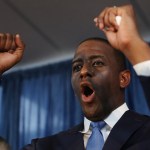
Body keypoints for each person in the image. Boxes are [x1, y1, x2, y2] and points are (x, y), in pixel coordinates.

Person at [22, 4, 150, 150]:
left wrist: (133, 45)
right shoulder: (44, 146)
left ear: (123, 79)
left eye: (97, 63)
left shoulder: (146, 132)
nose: (83, 72)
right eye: (76, 67)